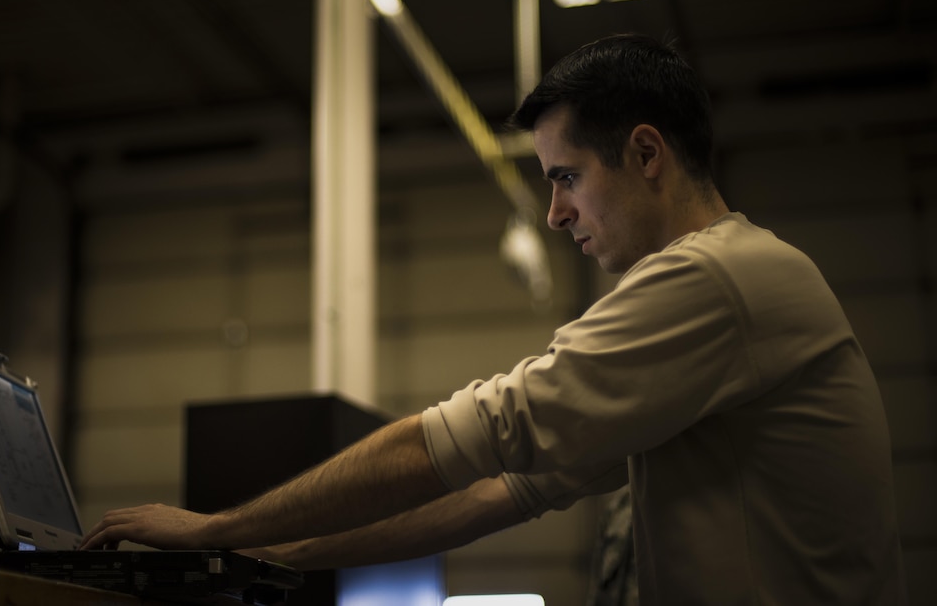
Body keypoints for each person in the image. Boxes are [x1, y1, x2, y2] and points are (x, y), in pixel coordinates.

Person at [81, 34, 907, 604]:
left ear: (647, 155)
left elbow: (479, 433)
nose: (554, 213)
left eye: (566, 177)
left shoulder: (717, 279)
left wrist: (214, 527)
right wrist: (255, 555)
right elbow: (500, 492)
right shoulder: (726, 296)